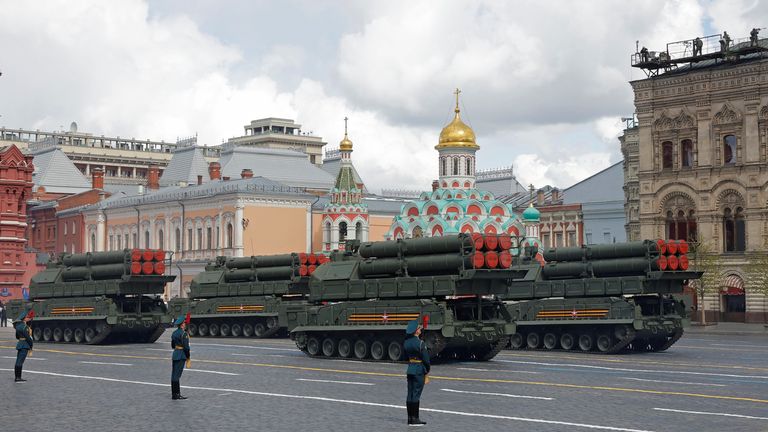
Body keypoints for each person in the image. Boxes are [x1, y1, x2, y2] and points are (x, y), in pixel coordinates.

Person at [404, 319, 430, 426]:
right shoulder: (420, 343)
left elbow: (405, 357)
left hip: (410, 368)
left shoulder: (406, 343)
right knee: (416, 394)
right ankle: (415, 419)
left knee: (410, 393)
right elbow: (426, 360)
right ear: (416, 331)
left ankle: (410, 418)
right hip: (419, 369)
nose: (420, 329)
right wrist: (426, 370)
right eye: (419, 328)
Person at [170, 312, 191, 400]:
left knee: (174, 375)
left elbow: (172, 345)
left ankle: (174, 394)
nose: (185, 325)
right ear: (182, 324)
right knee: (177, 376)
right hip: (181, 355)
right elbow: (186, 348)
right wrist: (188, 357)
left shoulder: (174, 333)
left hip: (175, 355)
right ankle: (177, 394)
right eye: (184, 323)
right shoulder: (184, 334)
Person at [14, 309, 34, 382]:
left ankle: (17, 376)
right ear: (24, 318)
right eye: (28, 317)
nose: (29, 319)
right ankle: (18, 378)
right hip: (24, 345)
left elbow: (16, 336)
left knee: (18, 361)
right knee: (20, 362)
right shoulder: (24, 327)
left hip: (19, 344)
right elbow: (28, 337)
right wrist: (31, 344)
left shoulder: (18, 326)